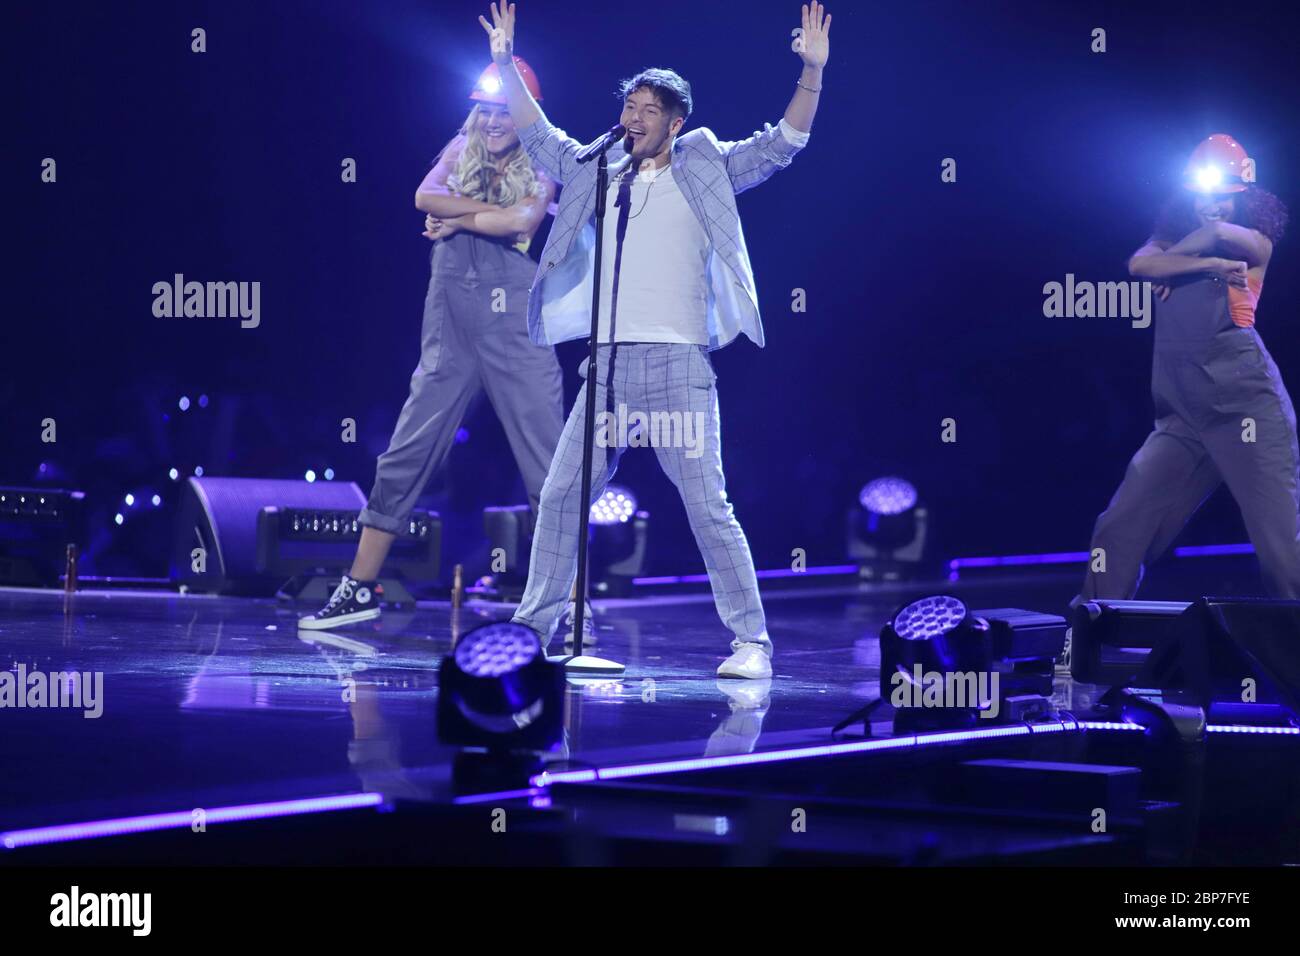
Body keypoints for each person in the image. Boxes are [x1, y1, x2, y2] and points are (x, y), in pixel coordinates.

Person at [478, 1, 831, 678]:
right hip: (606, 368)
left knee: (706, 502)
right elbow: (540, 134)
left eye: (647, 108)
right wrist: (502, 63)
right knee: (559, 497)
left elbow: (783, 144)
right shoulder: (599, 167)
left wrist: (811, 73)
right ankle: (533, 633)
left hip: (676, 365)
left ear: (676, 121)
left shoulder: (705, 163)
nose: (632, 117)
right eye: (628, 105)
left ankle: (751, 640)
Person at [300, 59, 565, 630]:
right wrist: (476, 215)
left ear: (526, 113)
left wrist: (460, 215)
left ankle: (561, 605)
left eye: (505, 111)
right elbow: (424, 196)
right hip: (449, 329)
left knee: (548, 465)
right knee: (405, 453)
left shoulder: (546, 156)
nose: (493, 121)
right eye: (486, 110)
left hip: (516, 327)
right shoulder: (460, 143)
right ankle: (359, 587)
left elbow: (524, 222)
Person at [1078, 133, 1298, 602]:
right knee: (1118, 530)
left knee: (1284, 553)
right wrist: (1187, 260)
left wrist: (1180, 261)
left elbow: (1218, 237)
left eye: (1226, 198)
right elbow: (1139, 265)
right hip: (1181, 416)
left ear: (1245, 199)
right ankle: (1093, 638)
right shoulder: (1167, 244)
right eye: (1206, 196)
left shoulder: (1256, 241)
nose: (1215, 207)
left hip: (1248, 413)